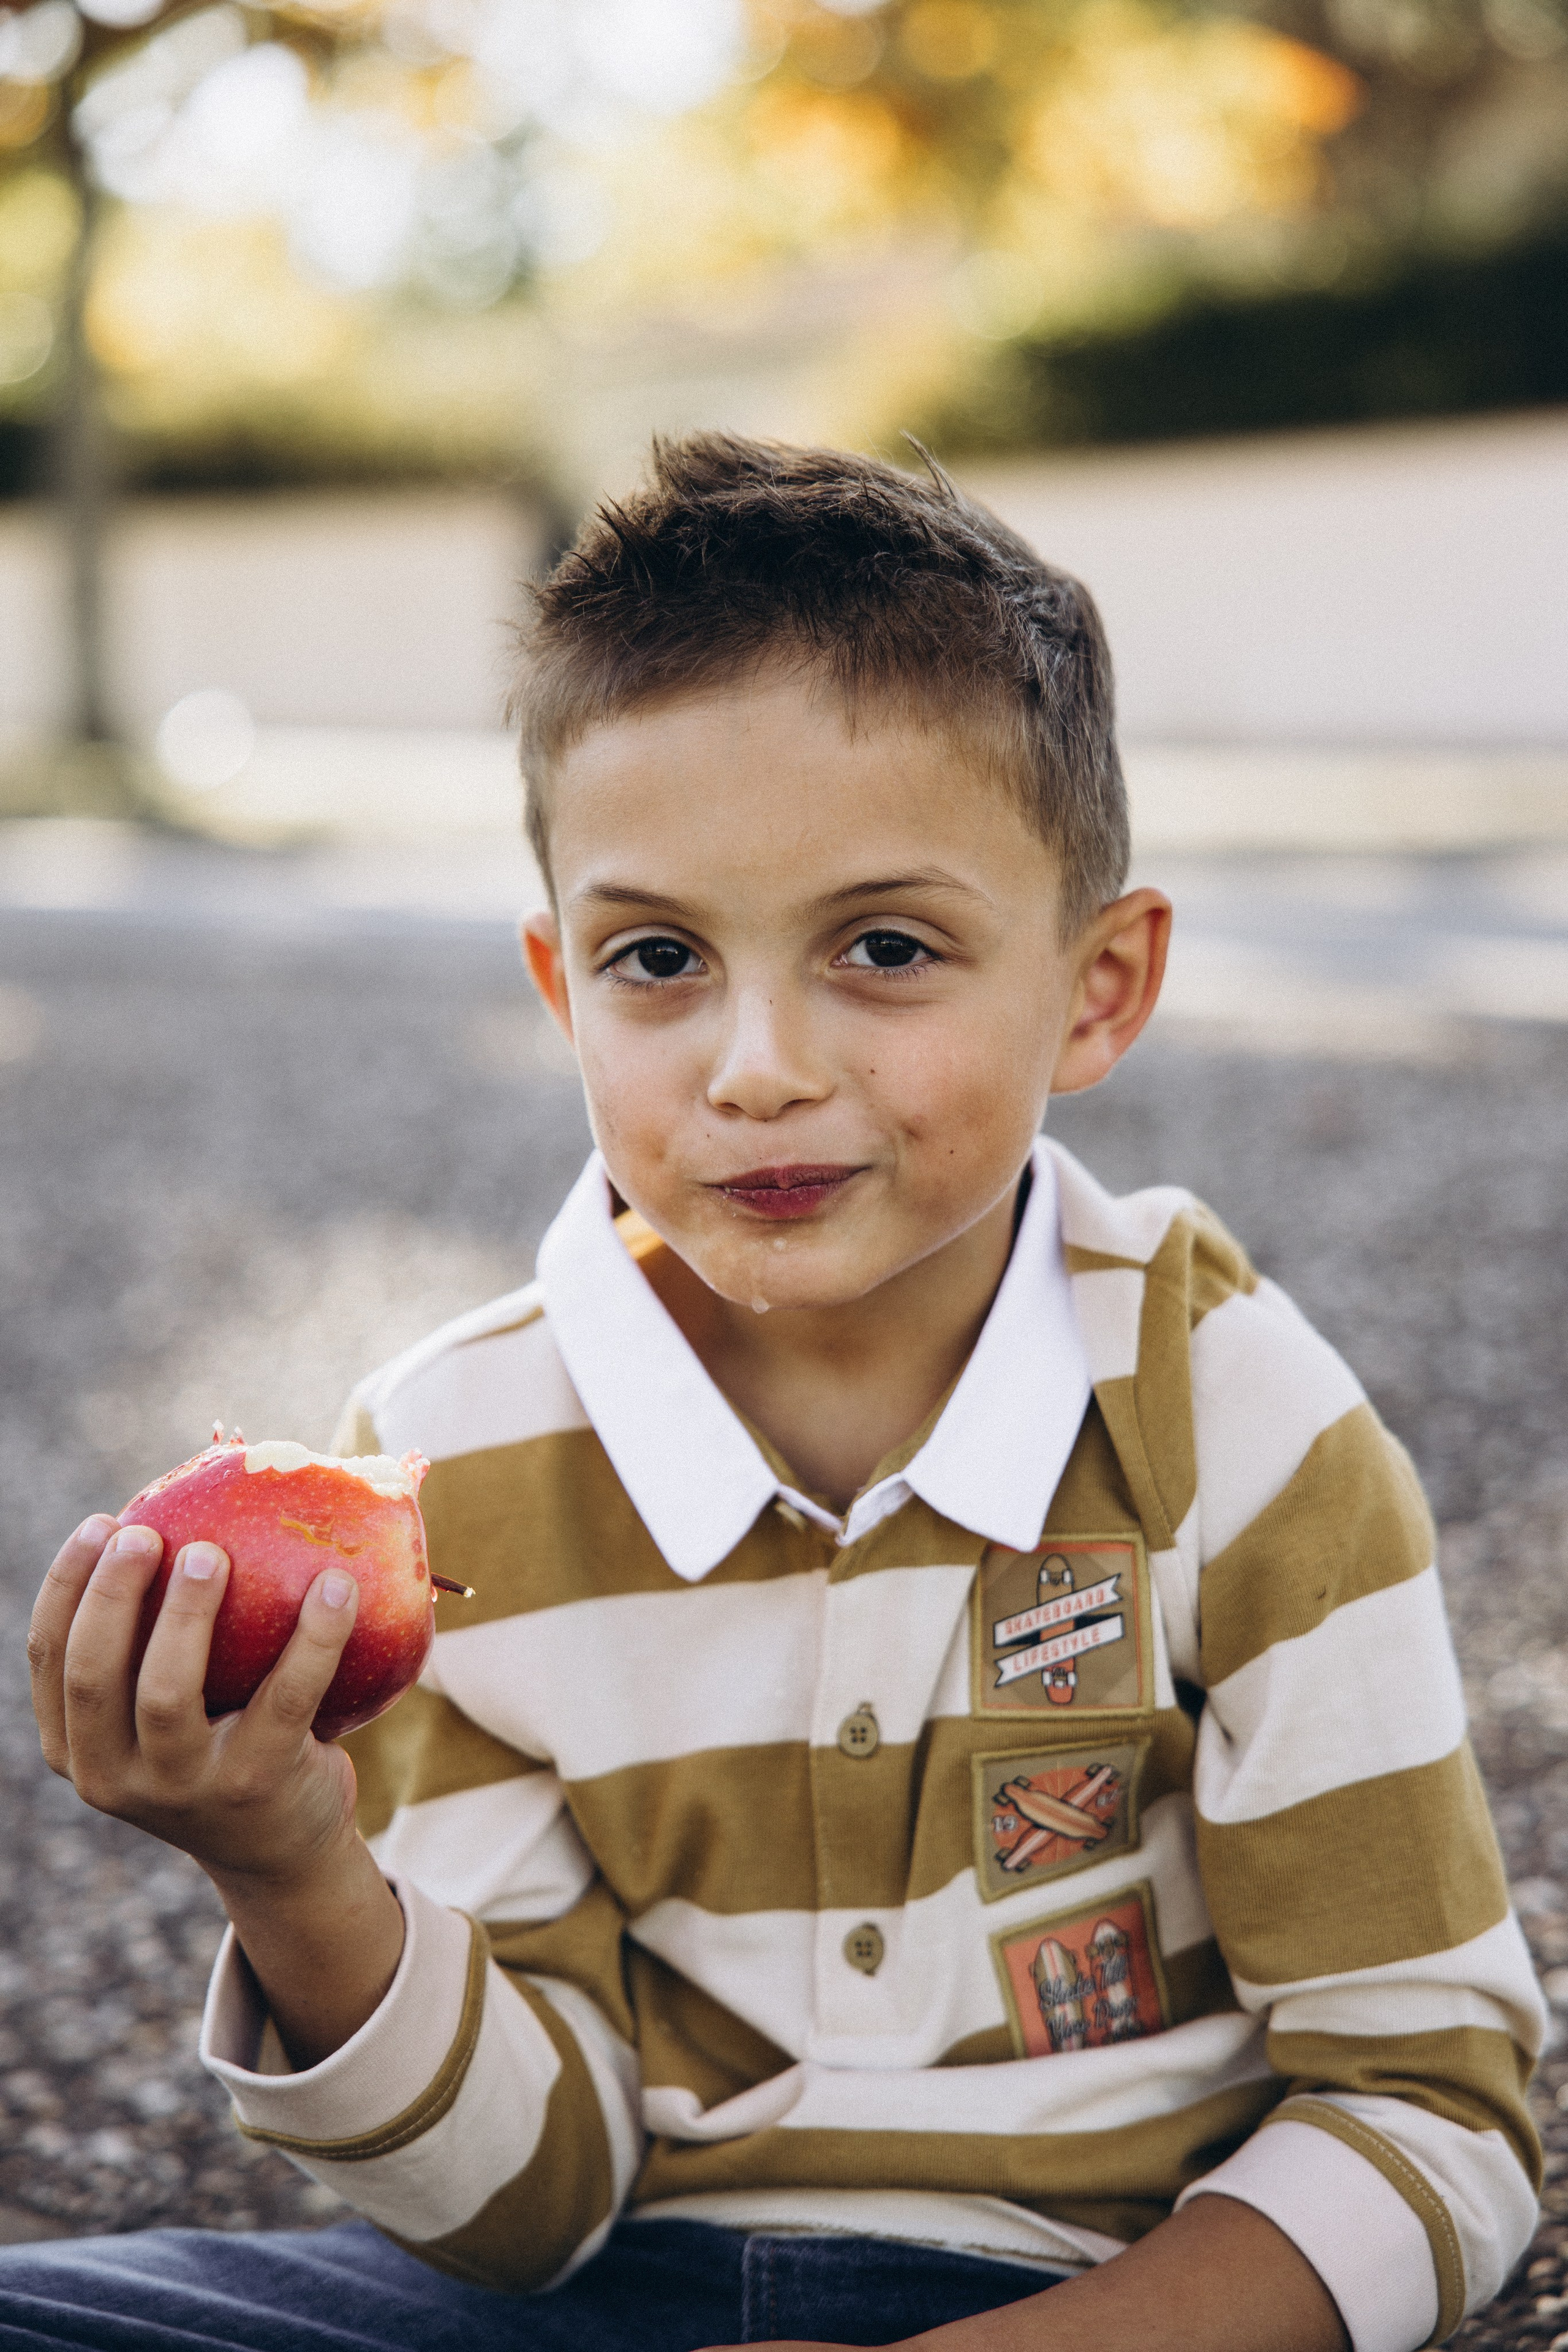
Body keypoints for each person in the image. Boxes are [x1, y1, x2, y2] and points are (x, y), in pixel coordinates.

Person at [12, 435, 1544, 2352]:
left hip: (1113, 2303)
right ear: (561, 991)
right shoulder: (446, 1471)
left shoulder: (1237, 1426)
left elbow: (1432, 2120)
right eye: (657, 959)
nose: (756, 1066)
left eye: (884, 948)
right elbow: (531, 2209)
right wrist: (291, 1867)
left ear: (1096, 987)